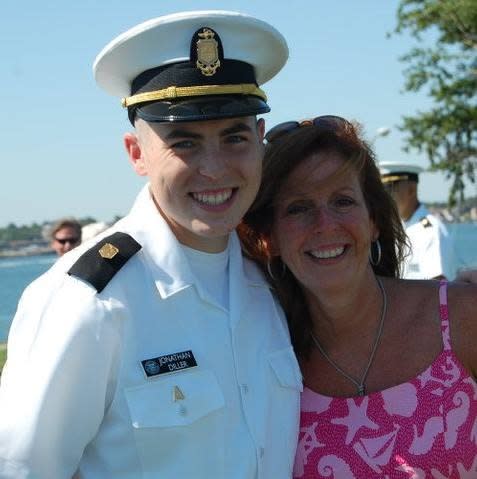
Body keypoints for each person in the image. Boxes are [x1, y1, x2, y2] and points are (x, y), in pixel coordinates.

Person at [0, 11, 302, 478]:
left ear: (261, 141)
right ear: (137, 154)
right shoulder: (90, 301)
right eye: (184, 143)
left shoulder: (269, 278)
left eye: (235, 137)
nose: (216, 168)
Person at [239, 116, 477, 476]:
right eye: (298, 208)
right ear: (268, 238)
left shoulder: (461, 318)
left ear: (374, 220)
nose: (325, 224)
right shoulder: (267, 359)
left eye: (343, 201)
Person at [379, 161, 457, 280]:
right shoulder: (394, 228)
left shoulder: (431, 231)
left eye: (391, 189)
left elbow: (438, 287)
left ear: (411, 190)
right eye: (384, 190)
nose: (386, 196)